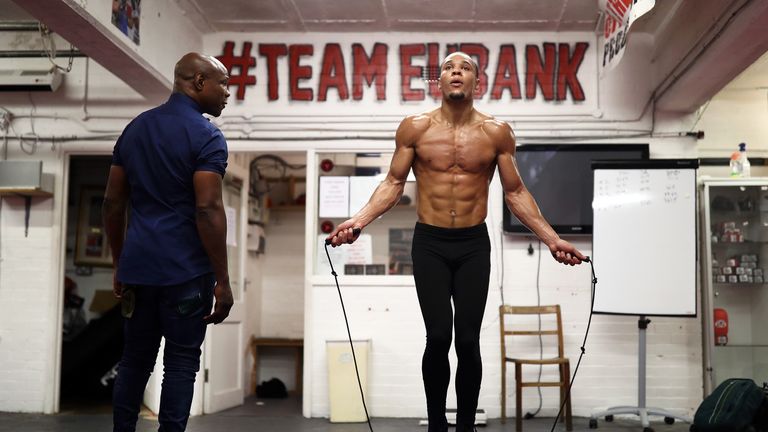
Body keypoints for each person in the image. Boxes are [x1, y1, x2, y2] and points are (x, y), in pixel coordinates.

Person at [327, 52, 586, 432]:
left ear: (477, 82)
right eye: (449, 67)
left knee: (466, 339)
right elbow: (393, 184)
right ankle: (437, 425)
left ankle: (464, 425)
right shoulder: (415, 128)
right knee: (437, 335)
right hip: (429, 242)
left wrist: (551, 239)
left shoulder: (496, 132)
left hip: (472, 245)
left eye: (464, 68)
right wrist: (359, 220)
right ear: (440, 81)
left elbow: (515, 192)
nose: (456, 72)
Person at [103, 52, 234, 432]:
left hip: (139, 270)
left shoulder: (135, 129)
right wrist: (222, 280)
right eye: (222, 83)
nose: (227, 93)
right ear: (197, 82)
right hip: (186, 273)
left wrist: (118, 263)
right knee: (180, 362)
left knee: (134, 361)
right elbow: (207, 209)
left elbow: (113, 202)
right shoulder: (207, 136)